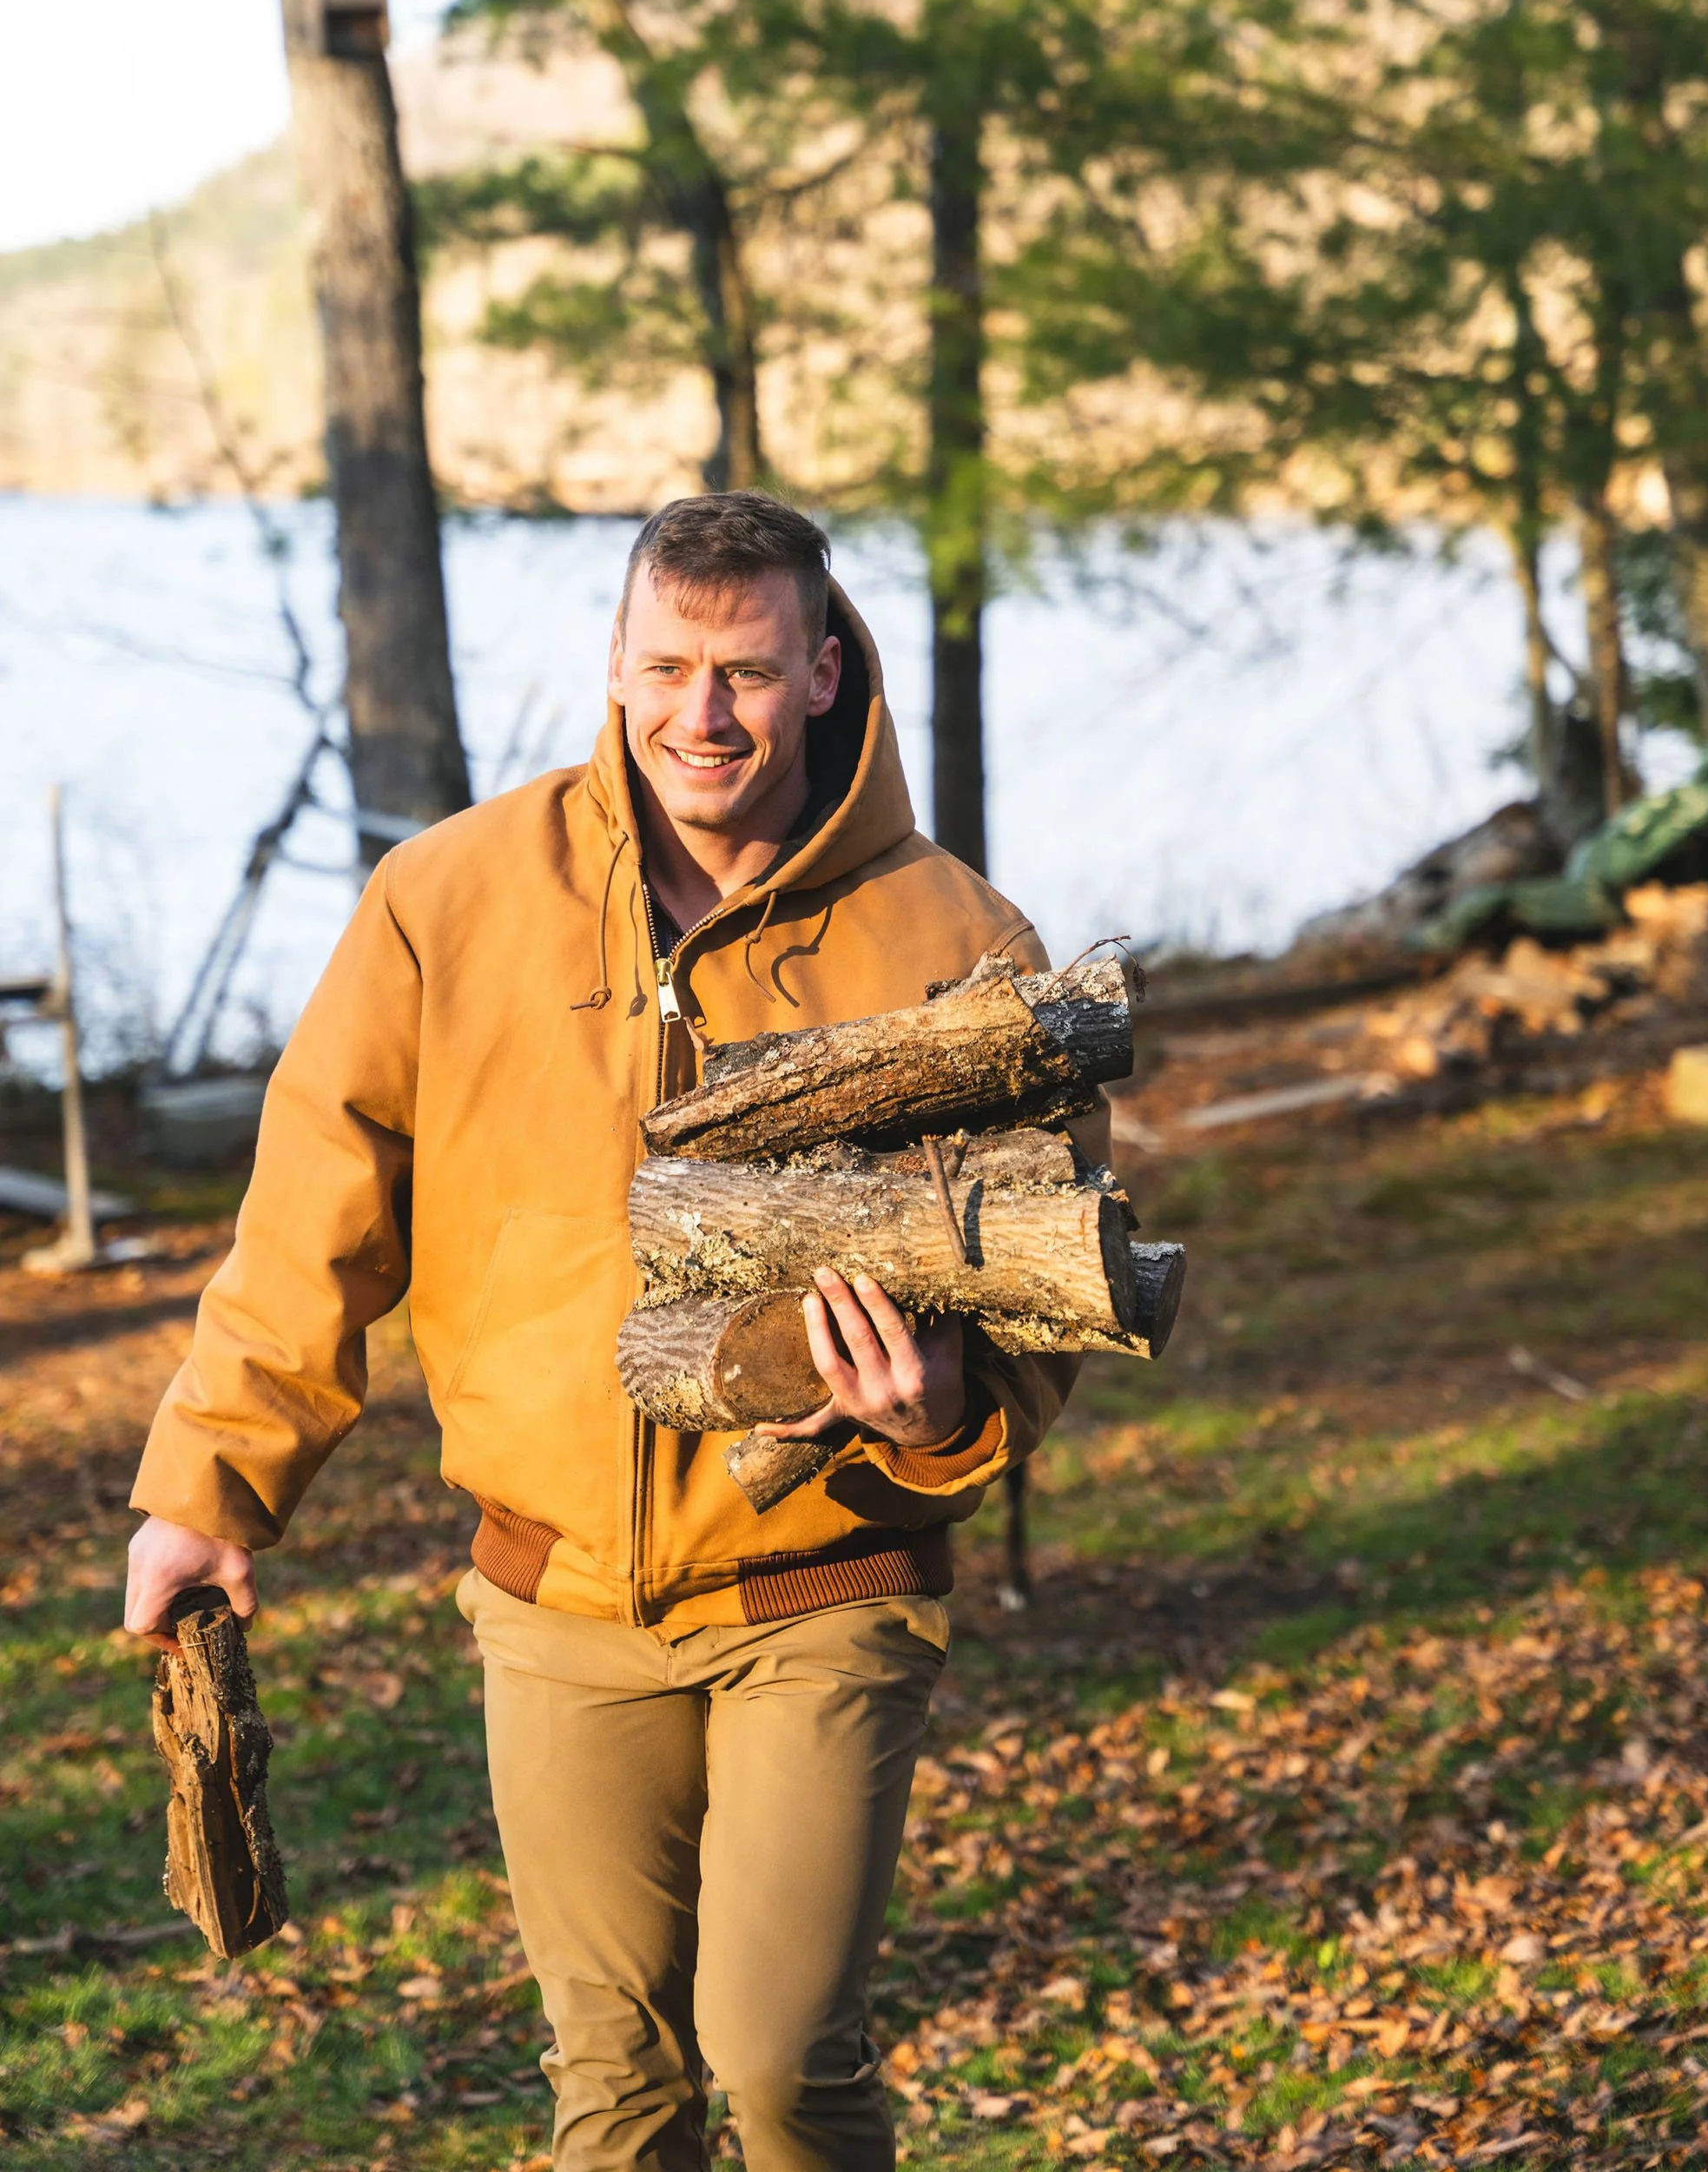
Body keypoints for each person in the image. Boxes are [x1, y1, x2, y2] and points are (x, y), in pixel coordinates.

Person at [125, 492, 1085, 2172]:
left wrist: (946, 1404)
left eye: (745, 672)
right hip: (554, 1592)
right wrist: (209, 1490)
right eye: (666, 668)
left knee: (780, 2060)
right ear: (616, 663)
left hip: (829, 1576)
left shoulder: (959, 943)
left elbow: (1046, 1269)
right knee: (613, 2090)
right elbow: (316, 1211)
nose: (699, 716)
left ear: (823, 671)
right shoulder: (452, 896)